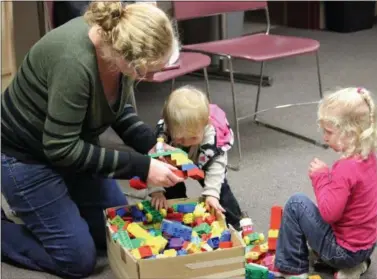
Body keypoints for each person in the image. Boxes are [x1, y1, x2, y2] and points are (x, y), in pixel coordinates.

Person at [1, 2, 183, 278]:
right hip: (25, 157)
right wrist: (142, 166)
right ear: (126, 57)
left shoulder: (118, 47)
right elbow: (61, 149)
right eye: (145, 71)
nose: (148, 77)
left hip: (71, 146)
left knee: (117, 232)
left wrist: (151, 145)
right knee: (77, 260)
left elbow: (115, 107)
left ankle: (51, 209)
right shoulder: (74, 63)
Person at [269, 87, 377, 279]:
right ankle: (355, 267)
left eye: (329, 131)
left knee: (296, 204)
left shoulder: (344, 168)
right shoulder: (368, 157)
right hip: (366, 245)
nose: (324, 137)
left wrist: (321, 177)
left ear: (351, 133)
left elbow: (329, 214)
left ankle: (292, 268)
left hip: (343, 253)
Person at [149, 86, 243, 229]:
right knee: (170, 185)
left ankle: (236, 223)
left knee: (221, 191)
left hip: (204, 160)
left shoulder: (212, 141)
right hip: (173, 161)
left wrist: (211, 194)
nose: (186, 142)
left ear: (206, 124)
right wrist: (156, 191)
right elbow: (153, 163)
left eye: (192, 137)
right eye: (180, 139)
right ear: (169, 127)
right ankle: (176, 218)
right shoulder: (163, 137)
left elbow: (216, 169)